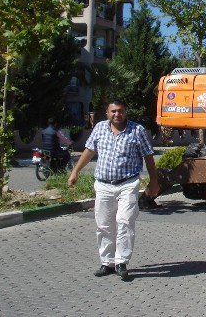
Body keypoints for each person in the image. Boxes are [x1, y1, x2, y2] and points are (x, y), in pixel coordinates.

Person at [67, 99, 159, 281]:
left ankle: (121, 262)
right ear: (107, 113)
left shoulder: (137, 130)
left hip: (128, 183)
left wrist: (154, 181)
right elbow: (89, 151)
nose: (117, 114)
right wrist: (75, 171)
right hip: (103, 185)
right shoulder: (100, 128)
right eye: (114, 111)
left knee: (124, 221)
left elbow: (148, 156)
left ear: (126, 112)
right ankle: (107, 262)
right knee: (104, 224)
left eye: (121, 111)